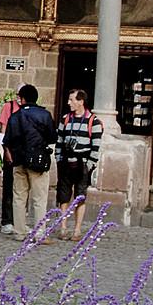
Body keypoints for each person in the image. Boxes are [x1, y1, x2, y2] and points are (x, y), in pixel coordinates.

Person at [1, 83, 56, 242]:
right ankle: (39, 233)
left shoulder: (16, 116)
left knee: (19, 197)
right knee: (39, 199)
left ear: (23, 98)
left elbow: (8, 139)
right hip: (38, 161)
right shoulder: (44, 115)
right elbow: (52, 137)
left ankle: (19, 232)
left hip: (19, 160)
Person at [55, 87, 104, 241]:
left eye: (72, 100)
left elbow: (96, 146)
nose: (69, 103)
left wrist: (90, 165)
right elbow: (59, 141)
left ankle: (77, 229)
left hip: (82, 163)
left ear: (81, 101)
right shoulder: (65, 119)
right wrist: (58, 159)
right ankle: (63, 227)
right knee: (63, 196)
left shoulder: (93, 121)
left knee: (80, 197)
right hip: (65, 163)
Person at [0, 88, 22, 231]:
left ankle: (19, 220)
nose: (19, 97)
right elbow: (3, 129)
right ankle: (7, 220)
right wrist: (5, 150)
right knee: (8, 187)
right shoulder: (9, 107)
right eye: (17, 94)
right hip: (10, 151)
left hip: (23, 153)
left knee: (22, 188)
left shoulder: (27, 109)